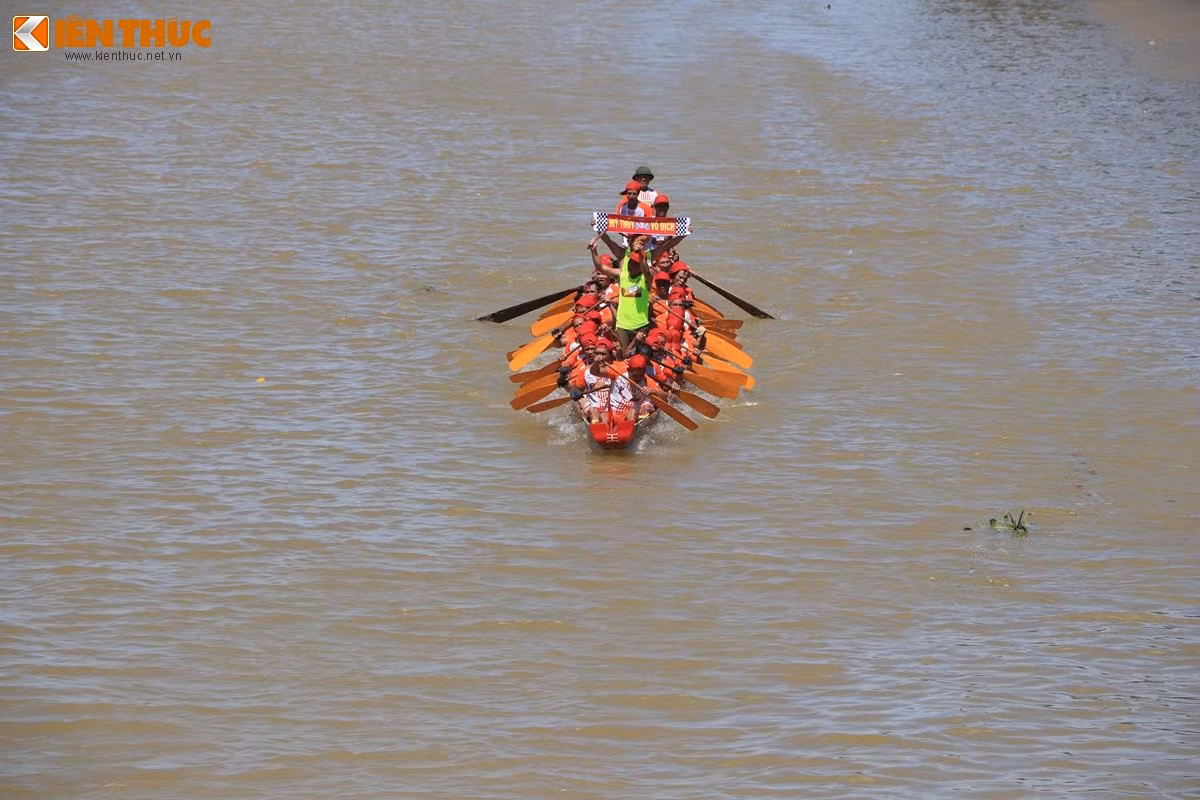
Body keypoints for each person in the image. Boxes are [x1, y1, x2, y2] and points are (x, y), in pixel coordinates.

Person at [588, 235, 653, 354]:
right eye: (630, 262)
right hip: (622, 325)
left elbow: (647, 271)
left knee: (640, 356)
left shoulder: (646, 280)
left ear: (641, 265)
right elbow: (600, 267)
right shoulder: (621, 275)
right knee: (625, 355)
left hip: (641, 325)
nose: (631, 265)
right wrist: (594, 250)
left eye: (636, 263)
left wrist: (640, 254)